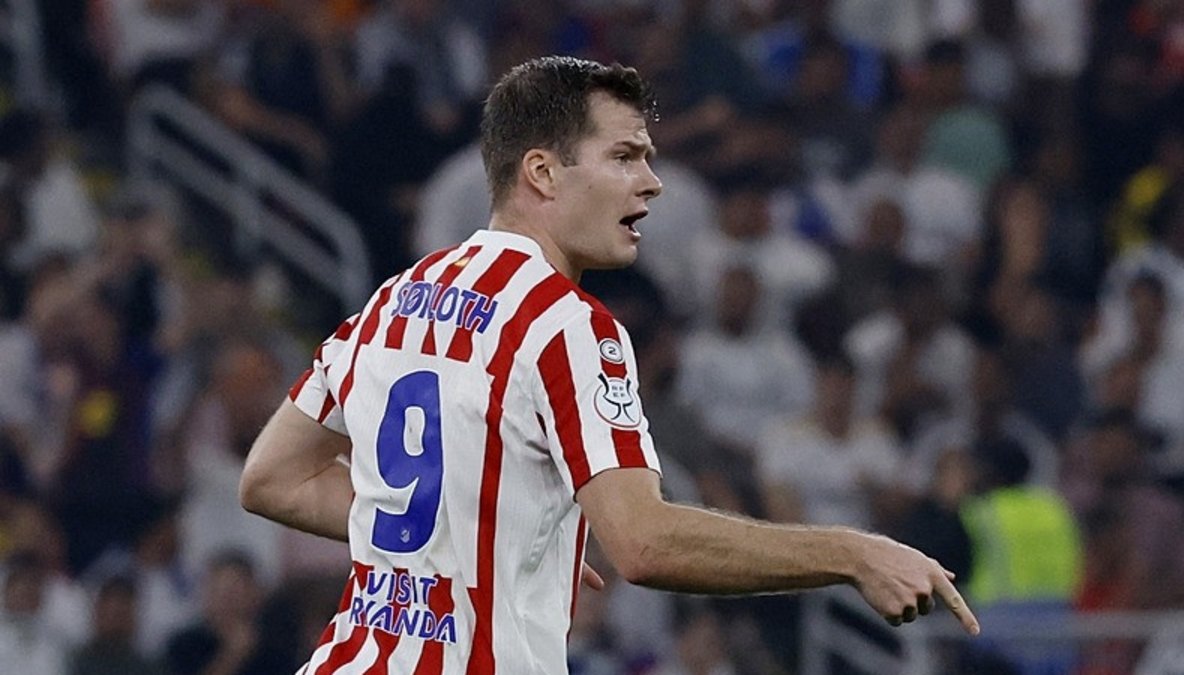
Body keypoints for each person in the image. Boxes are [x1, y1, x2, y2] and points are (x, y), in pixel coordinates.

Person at [239, 55, 980, 674]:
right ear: (542, 172)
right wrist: (850, 551)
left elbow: (273, 478)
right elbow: (644, 544)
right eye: (624, 156)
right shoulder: (566, 324)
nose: (651, 182)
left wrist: (493, 537)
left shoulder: (394, 298)